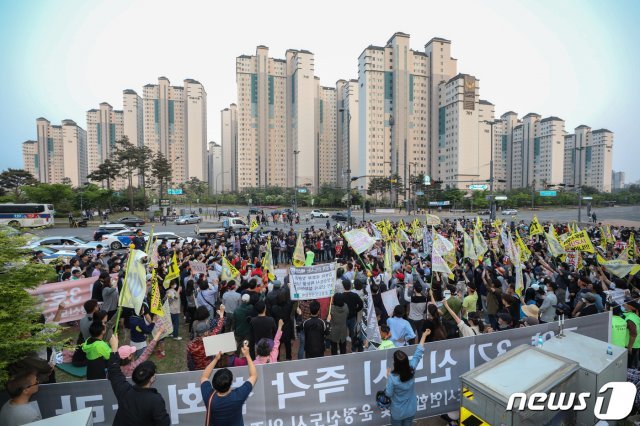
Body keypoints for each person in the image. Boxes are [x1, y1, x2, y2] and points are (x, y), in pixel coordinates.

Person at [106, 336, 171, 425]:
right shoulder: (156, 400)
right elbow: (164, 423)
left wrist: (114, 348)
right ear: (152, 378)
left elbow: (114, 372)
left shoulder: (124, 391)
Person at [200, 342, 258, 426]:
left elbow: (204, 377)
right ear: (230, 383)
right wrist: (247, 355)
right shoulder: (238, 396)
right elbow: (254, 376)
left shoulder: (209, 396)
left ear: (214, 384)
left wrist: (215, 359)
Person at [384, 329, 430, 426]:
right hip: (411, 409)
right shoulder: (411, 369)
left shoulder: (393, 377)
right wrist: (424, 335)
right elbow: (418, 353)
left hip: (397, 412)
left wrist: (388, 377)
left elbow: (388, 393)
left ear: (395, 363)